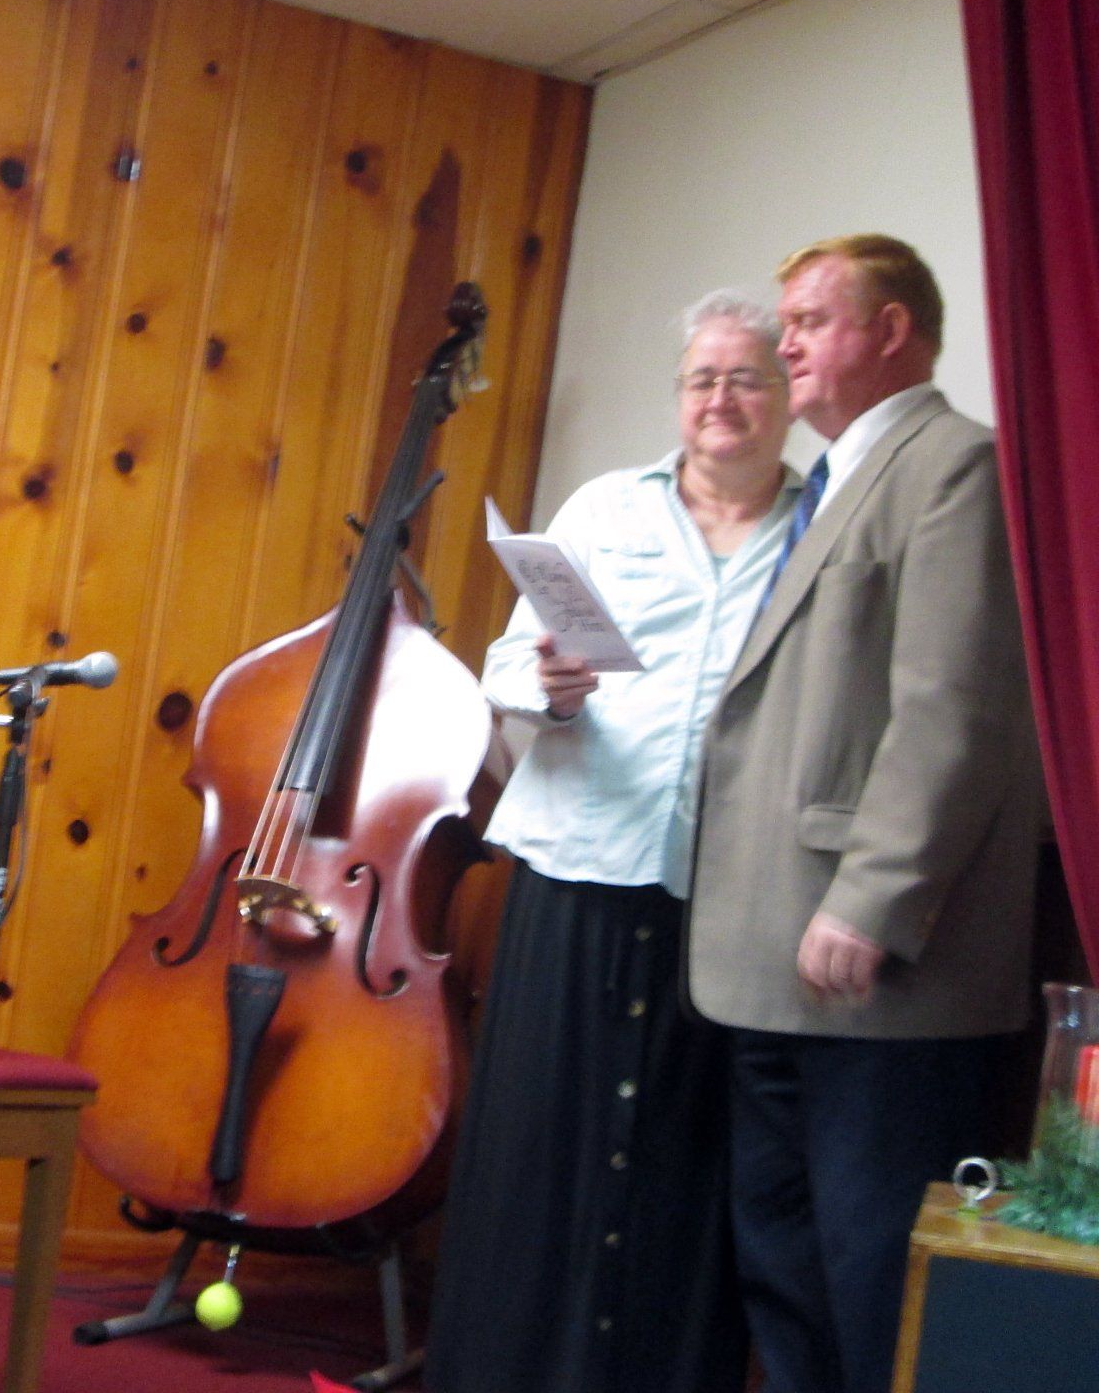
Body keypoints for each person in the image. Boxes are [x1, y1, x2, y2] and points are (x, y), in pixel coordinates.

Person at [686, 235, 1044, 1393]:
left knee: (870, 1262)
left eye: (810, 321)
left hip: (877, 965)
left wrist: (874, 899)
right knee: (782, 1260)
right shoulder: (831, 480)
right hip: (766, 951)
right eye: (783, 322)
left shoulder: (954, 465)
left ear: (891, 332)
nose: (784, 344)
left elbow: (956, 711)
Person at [425, 291, 797, 1393]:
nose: (720, 399)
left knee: (685, 1167)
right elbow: (504, 668)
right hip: (577, 865)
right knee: (541, 1151)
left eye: (746, 379)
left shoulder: (821, 526)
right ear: (679, 395)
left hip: (726, 888)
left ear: (788, 398)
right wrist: (545, 686)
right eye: (702, 379)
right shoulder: (603, 509)